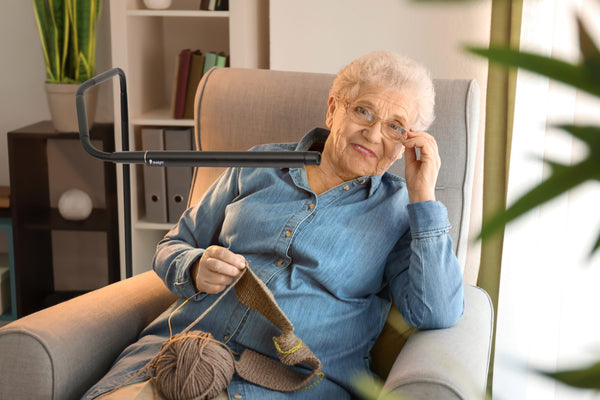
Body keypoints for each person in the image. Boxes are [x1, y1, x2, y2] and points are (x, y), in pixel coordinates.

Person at [83, 50, 464, 400]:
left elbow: (436, 312)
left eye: (396, 127)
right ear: (333, 110)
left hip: (292, 382)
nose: (374, 133)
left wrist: (423, 194)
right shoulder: (258, 164)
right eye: (364, 111)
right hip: (181, 350)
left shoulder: (401, 210)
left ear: (406, 143)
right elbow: (175, 245)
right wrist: (196, 267)